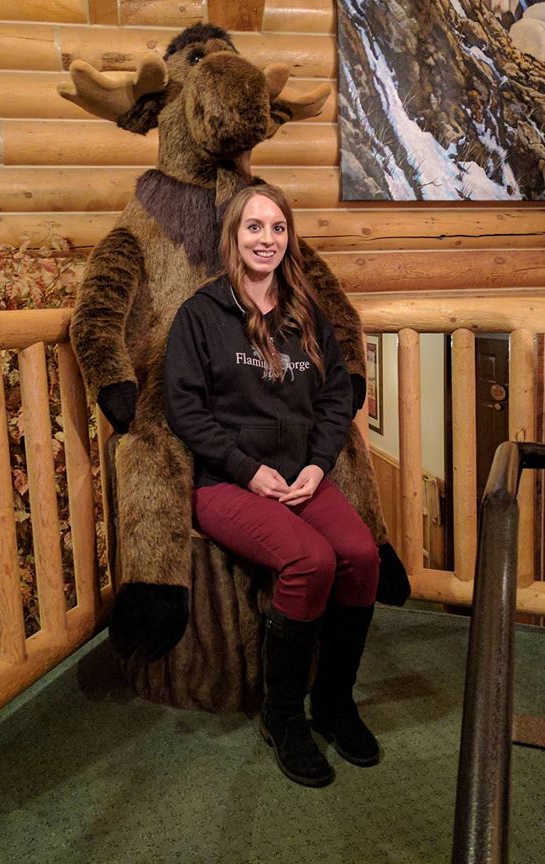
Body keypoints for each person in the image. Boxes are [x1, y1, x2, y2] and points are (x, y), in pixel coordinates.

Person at [164, 183, 380, 788]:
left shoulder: (306, 312)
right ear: (233, 236)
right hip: (226, 482)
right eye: (254, 227)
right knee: (311, 560)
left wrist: (317, 465)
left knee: (361, 557)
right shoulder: (200, 315)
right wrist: (245, 469)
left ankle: (333, 702)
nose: (267, 239)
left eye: (278, 228)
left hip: (300, 475)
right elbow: (185, 411)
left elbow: (334, 399)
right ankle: (282, 714)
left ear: (289, 238)